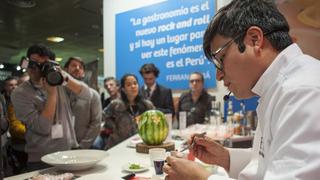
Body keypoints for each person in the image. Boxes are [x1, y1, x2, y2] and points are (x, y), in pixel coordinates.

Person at [163, 0, 320, 179]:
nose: (218, 76)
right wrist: (226, 158)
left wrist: (201, 178)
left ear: (254, 39)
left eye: (221, 59)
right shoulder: (280, 88)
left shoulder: (303, 92)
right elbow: (272, 162)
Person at [11, 44, 91, 171]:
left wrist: (62, 75)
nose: (34, 69)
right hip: (42, 160)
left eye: (41, 65)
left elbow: (87, 95)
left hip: (69, 153)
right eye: (32, 63)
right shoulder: (20, 93)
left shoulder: (60, 82)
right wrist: (52, 94)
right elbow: (43, 127)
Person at [101, 74, 154, 149]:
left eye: (135, 83)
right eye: (129, 85)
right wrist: (112, 126)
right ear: (123, 89)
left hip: (140, 144)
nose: (133, 86)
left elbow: (155, 119)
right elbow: (103, 116)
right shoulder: (116, 104)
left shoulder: (147, 105)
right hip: (118, 144)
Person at [64, 57, 101, 149]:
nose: (77, 68)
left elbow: (96, 124)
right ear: (65, 70)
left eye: (80, 67)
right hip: (59, 146)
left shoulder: (93, 95)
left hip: (83, 147)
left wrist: (82, 147)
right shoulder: (57, 93)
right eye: (73, 65)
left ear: (83, 73)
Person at [2, 76, 28, 174]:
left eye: (15, 85)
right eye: (11, 85)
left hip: (33, 144)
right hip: (20, 146)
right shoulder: (12, 102)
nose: (14, 87)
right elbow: (15, 127)